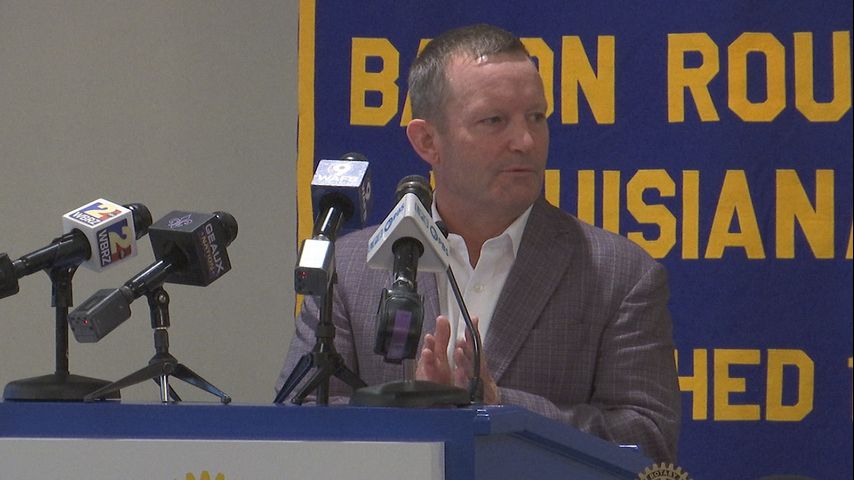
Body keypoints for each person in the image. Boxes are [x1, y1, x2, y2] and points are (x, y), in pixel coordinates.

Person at [277, 23, 680, 463]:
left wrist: (498, 403)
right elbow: (296, 422)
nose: (525, 142)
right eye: (494, 121)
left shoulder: (619, 275)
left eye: (537, 118)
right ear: (427, 141)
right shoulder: (350, 268)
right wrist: (412, 414)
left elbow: (649, 442)